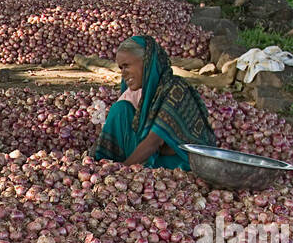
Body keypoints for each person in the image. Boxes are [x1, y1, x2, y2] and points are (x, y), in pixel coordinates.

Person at [93, 35, 217, 171]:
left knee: (121, 110)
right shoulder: (142, 91)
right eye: (121, 68)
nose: (123, 74)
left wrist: (123, 169)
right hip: (151, 157)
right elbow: (121, 125)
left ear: (147, 62)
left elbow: (154, 142)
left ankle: (123, 168)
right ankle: (102, 162)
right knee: (121, 109)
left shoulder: (175, 89)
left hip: (178, 164)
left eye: (126, 66)